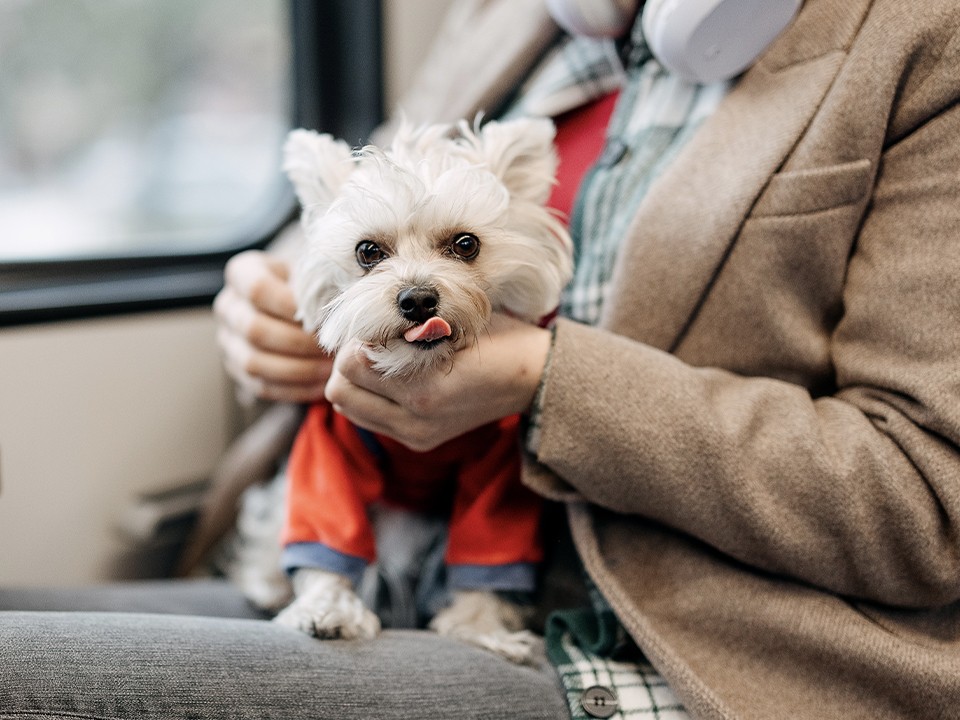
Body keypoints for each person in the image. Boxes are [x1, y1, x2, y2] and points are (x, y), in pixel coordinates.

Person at [4, 0, 960, 718]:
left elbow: (930, 501)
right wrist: (271, 310)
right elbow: (356, 220)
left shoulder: (918, 37)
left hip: (658, 635)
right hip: (362, 547)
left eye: (462, 249)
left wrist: (546, 379)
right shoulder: (509, 16)